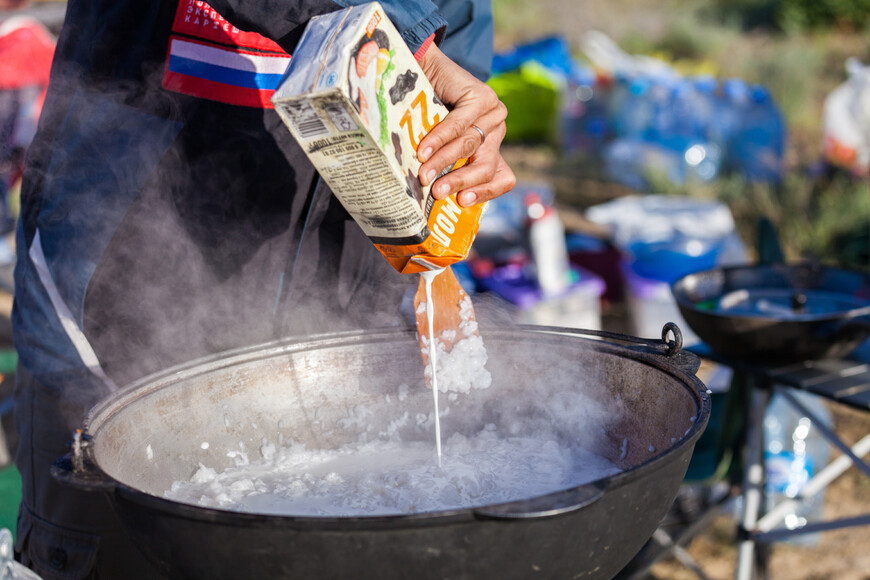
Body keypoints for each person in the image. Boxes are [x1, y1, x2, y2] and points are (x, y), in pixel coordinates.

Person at [10, 0, 514, 577]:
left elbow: (460, 24)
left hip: (336, 326)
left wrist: (451, 134)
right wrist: (403, 47)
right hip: (115, 313)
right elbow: (420, 39)